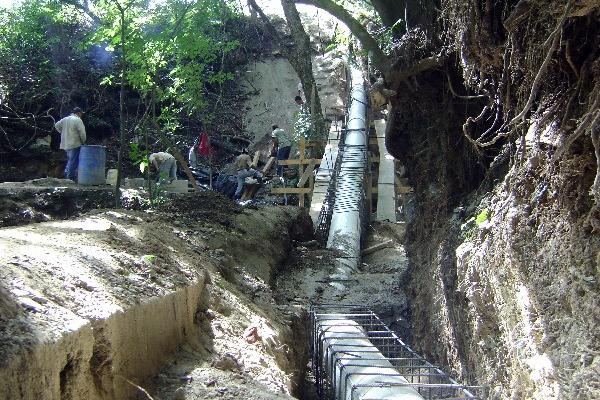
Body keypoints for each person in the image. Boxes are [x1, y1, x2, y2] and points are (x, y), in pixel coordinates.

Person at [55, 107, 86, 182]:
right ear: (78, 113)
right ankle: (70, 178)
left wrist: (62, 133)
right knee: (73, 161)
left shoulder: (65, 119)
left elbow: (56, 125)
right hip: (75, 144)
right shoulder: (78, 120)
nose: (81, 115)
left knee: (70, 160)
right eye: (81, 113)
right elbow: (82, 133)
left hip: (66, 144)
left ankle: (67, 176)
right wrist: (83, 142)